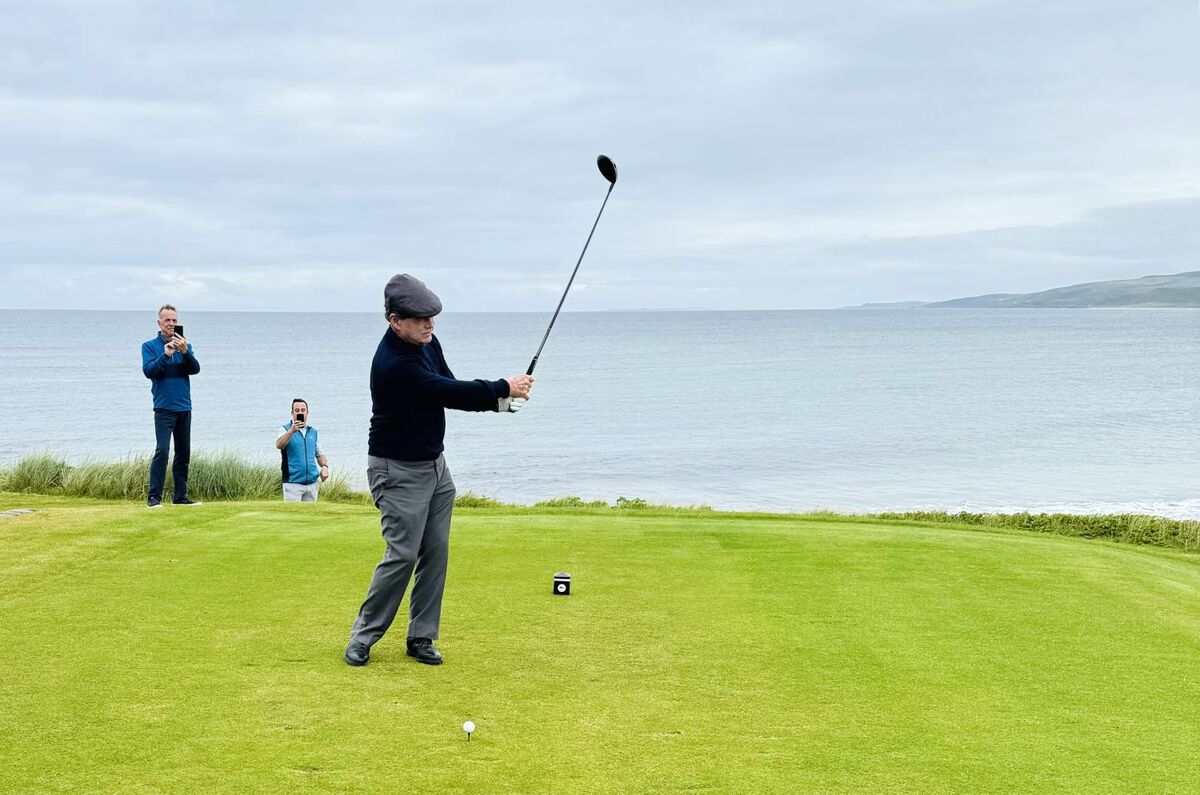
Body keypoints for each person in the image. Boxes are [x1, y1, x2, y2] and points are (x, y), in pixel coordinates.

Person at [344, 273, 533, 667]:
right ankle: (363, 637)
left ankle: (421, 637)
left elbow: (448, 387)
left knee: (437, 552)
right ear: (395, 320)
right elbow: (443, 390)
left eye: (432, 316)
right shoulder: (394, 363)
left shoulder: (427, 343)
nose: (430, 324)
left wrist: (500, 402)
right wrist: (503, 386)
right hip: (396, 470)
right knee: (402, 554)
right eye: (420, 318)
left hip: (435, 466)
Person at [140, 304, 201, 508]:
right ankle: (154, 497)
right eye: (168, 320)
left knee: (183, 453)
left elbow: (195, 369)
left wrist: (185, 352)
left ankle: (180, 496)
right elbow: (149, 371)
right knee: (162, 451)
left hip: (184, 407)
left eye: (175, 320)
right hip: (164, 408)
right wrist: (165, 355)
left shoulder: (186, 345)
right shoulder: (149, 346)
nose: (172, 324)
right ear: (159, 323)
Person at [275, 398, 330, 501]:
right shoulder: (285, 429)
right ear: (292, 413)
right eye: (297, 410)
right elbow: (279, 445)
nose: (300, 412)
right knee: (294, 516)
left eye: (303, 410)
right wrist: (292, 431)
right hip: (292, 483)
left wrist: (324, 466)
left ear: (307, 413)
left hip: (312, 483)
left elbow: (319, 453)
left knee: (311, 516)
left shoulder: (313, 432)